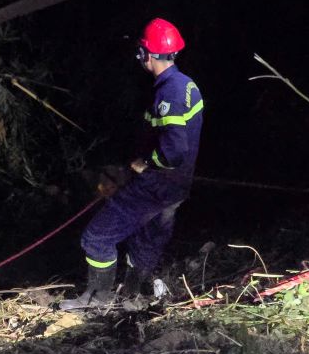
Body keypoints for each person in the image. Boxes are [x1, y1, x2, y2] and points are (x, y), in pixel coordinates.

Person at [61, 18, 204, 311]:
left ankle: (96, 301)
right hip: (176, 189)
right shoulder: (187, 85)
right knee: (146, 243)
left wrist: (147, 163)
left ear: (146, 54)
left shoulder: (169, 93)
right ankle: (131, 297)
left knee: (96, 238)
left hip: (155, 185)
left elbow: (174, 151)